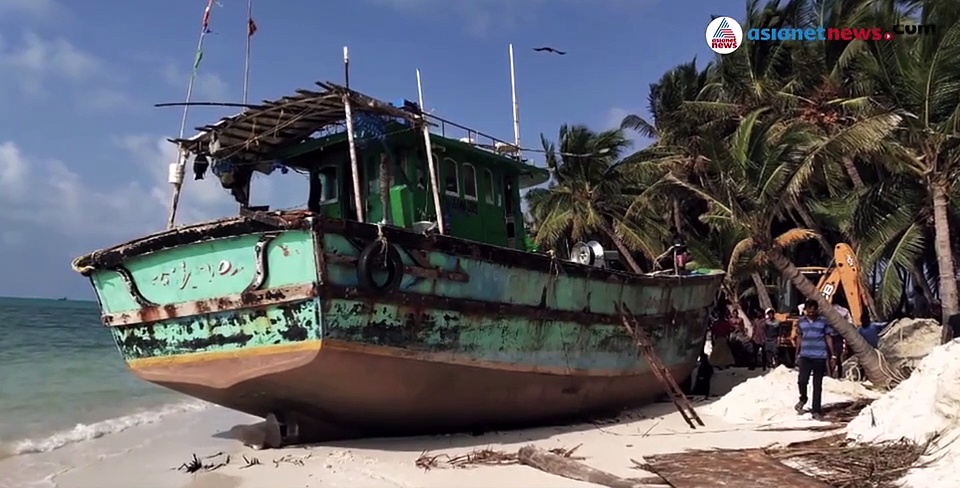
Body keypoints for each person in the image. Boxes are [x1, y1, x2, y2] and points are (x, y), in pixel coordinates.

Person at [795, 299, 835, 420]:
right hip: (805, 356)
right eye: (809, 310)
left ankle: (816, 410)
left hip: (819, 356)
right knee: (802, 380)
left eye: (813, 310)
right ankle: (803, 398)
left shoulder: (823, 322)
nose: (811, 312)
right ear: (805, 310)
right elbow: (799, 338)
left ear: (816, 309)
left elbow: (828, 337)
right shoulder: (801, 322)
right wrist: (797, 353)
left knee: (817, 384)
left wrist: (832, 355)